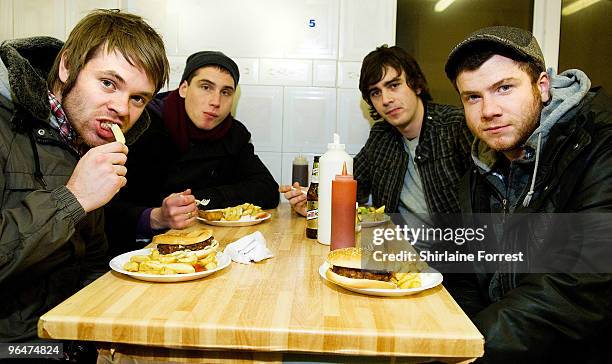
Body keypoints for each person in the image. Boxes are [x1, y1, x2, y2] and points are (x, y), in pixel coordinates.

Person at [0, 9, 169, 344]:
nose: (122, 109)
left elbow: (90, 259)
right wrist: (71, 199)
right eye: (108, 83)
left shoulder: (80, 138)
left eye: (137, 98)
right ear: (66, 67)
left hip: (65, 337)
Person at [444, 26, 612, 362]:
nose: (488, 110)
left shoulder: (598, 146)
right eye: (473, 97)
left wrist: (469, 348)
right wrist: (451, 336)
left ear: (542, 86)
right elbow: (468, 276)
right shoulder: (479, 169)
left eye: (504, 88)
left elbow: (580, 287)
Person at [105, 51, 279, 254]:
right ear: (184, 88)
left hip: (206, 247)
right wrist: (156, 216)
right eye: (206, 87)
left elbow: (267, 189)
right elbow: (104, 210)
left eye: (226, 92)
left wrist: (198, 201)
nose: (216, 101)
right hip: (131, 252)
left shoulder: (234, 134)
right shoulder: (140, 124)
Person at [281, 45, 473, 221]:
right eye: (375, 92)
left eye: (394, 85)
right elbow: (352, 188)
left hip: (451, 254)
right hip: (392, 247)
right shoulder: (381, 136)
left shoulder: (456, 127)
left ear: (416, 85)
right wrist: (315, 203)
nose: (386, 99)